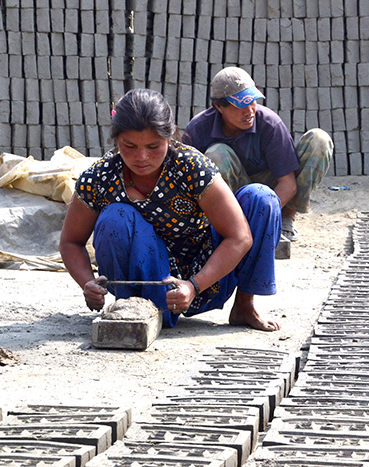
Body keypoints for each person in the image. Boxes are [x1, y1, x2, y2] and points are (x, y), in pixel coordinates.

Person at [59, 89, 282, 332]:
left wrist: (194, 285)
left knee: (261, 198)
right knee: (115, 218)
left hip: (207, 273)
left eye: (153, 146)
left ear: (170, 137)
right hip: (145, 279)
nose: (141, 157)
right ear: (116, 140)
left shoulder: (191, 167)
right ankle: (133, 310)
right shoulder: (100, 177)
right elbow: (71, 241)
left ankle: (244, 307)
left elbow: (240, 237)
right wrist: (87, 283)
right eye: (129, 146)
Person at [182, 66, 334, 242]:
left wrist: (262, 217)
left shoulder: (270, 124)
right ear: (219, 106)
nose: (249, 111)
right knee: (217, 154)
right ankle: (229, 224)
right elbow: (186, 182)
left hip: (271, 190)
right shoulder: (199, 129)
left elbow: (288, 184)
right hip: (229, 196)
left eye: (252, 102)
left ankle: (285, 218)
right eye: (240, 106)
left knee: (319, 140)